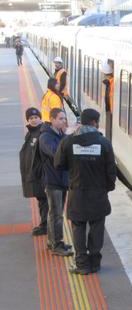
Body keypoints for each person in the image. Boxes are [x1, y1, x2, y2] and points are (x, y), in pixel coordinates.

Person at [54, 109, 116, 274]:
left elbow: (58, 164)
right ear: (95, 122)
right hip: (98, 194)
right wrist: (107, 188)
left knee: (78, 228)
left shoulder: (68, 142)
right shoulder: (104, 143)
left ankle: (82, 265)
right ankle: (95, 263)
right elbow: (111, 171)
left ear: (81, 122)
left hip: (77, 193)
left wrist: (74, 167)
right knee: (97, 228)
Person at [39, 108, 72, 256]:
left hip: (61, 180)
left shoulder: (59, 134)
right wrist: (68, 137)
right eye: (60, 119)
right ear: (52, 120)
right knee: (56, 214)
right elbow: (55, 153)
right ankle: (56, 245)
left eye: (64, 118)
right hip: (53, 181)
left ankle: (53, 242)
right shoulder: (46, 137)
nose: (64, 121)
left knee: (56, 213)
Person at [19, 107, 48, 236]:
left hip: (41, 176)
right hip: (34, 175)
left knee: (45, 201)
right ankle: (44, 224)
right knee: (41, 201)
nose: (34, 120)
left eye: (36, 118)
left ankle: (46, 225)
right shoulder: (31, 133)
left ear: (40, 118)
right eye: (31, 118)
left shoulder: (42, 133)